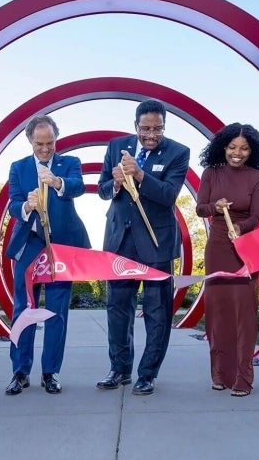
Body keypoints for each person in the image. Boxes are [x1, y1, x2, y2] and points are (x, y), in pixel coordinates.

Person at [96, 98, 189, 395]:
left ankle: (147, 374)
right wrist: (115, 183)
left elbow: (168, 194)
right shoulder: (115, 147)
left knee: (157, 311)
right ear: (135, 126)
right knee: (117, 309)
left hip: (156, 244)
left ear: (164, 126)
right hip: (120, 242)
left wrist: (138, 175)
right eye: (145, 128)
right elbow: (101, 191)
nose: (151, 134)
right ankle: (119, 369)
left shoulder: (178, 152)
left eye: (157, 129)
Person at [3, 115, 91, 396]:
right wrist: (27, 207)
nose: (45, 149)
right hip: (29, 244)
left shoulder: (70, 163)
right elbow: (14, 204)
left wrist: (56, 182)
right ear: (30, 140)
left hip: (61, 246)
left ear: (56, 139)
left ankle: (51, 372)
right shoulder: (18, 168)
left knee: (57, 311)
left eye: (50, 143)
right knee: (23, 308)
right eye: (39, 143)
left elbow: (77, 186)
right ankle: (20, 372)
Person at [195, 123, 259, 397]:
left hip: (245, 248)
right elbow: (201, 207)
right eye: (232, 147)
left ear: (253, 151)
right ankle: (219, 374)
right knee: (218, 313)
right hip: (217, 247)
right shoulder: (211, 173)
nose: (238, 153)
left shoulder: (258, 177)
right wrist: (215, 207)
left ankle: (243, 377)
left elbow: (256, 216)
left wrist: (241, 228)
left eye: (245, 148)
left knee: (244, 314)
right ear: (223, 147)